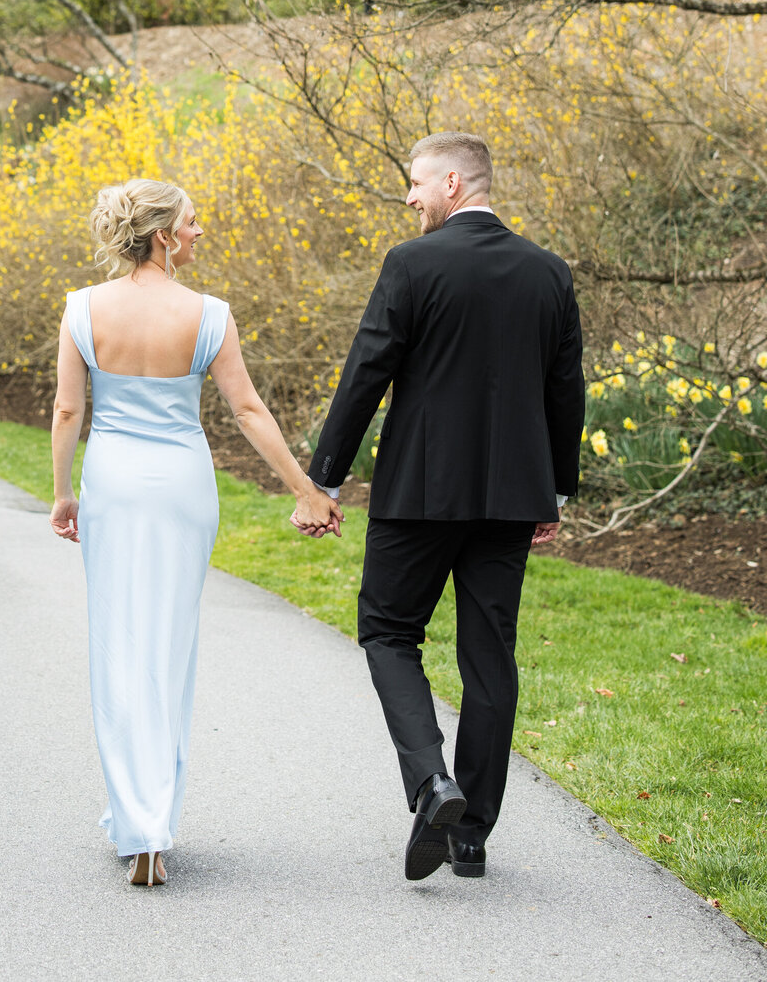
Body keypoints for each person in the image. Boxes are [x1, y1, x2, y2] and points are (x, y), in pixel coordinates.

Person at [302, 131, 585, 881]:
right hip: (509, 499)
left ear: (454, 183)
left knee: (388, 629)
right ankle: (472, 836)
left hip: (419, 493)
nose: (409, 196)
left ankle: (432, 781)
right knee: (490, 653)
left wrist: (324, 479)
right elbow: (566, 389)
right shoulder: (549, 273)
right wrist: (554, 487)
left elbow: (367, 369)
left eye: (417, 183)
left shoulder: (413, 263)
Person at [50, 177, 341, 887]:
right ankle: (154, 821)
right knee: (170, 648)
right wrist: (303, 488)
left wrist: (63, 495)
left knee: (120, 644)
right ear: (163, 236)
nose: (199, 230)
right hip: (182, 485)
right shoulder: (209, 314)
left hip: (114, 486)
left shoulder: (83, 309)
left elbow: (66, 412)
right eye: (191, 221)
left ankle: (137, 824)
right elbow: (246, 409)